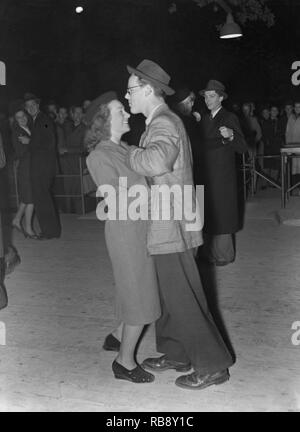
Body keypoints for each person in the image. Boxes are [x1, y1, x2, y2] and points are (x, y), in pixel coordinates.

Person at [120, 59, 233, 390]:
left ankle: (213, 365)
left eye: (130, 91)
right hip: (169, 221)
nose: (127, 98)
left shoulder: (164, 122)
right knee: (169, 296)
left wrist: (127, 153)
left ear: (148, 90)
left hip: (170, 225)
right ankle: (176, 353)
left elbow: (156, 161)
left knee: (183, 297)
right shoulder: (160, 121)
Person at [85, 91, 161, 384]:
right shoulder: (99, 156)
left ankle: (117, 336)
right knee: (141, 299)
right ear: (104, 121)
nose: (127, 114)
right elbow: (117, 202)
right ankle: (124, 362)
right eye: (120, 112)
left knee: (136, 290)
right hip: (127, 234)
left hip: (140, 230)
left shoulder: (125, 148)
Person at [198, 80, 247, 266]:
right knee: (208, 213)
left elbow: (242, 148)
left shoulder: (229, 117)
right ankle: (208, 253)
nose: (208, 100)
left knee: (222, 213)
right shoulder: (203, 119)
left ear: (220, 98)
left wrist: (232, 135)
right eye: (206, 96)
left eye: (212, 96)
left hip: (222, 176)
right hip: (205, 175)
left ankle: (224, 255)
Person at [24, 92, 61, 239]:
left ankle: (50, 232)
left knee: (42, 198)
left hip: (44, 167)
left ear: (37, 105)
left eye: (33, 105)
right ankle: (51, 231)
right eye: (28, 106)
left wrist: (29, 142)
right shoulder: (36, 120)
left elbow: (49, 142)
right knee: (42, 198)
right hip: (40, 166)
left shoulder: (44, 120)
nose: (31, 108)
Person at [10, 103, 39, 239]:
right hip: (25, 167)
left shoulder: (29, 128)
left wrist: (31, 142)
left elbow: (32, 145)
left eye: (23, 116)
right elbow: (22, 152)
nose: (22, 119)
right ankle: (28, 228)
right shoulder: (17, 132)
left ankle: (16, 220)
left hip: (32, 166)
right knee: (31, 198)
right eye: (18, 117)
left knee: (27, 197)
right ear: (15, 120)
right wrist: (33, 143)